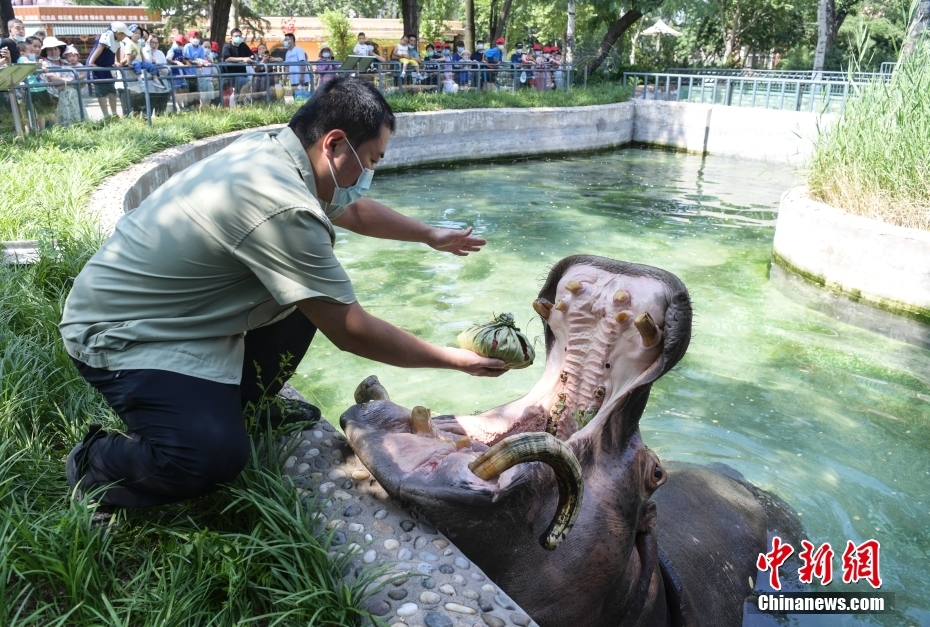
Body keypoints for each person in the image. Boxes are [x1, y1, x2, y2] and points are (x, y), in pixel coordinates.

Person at [61, 76, 502, 509]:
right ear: (333, 143)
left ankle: (244, 405)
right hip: (124, 334)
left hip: (178, 311)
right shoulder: (284, 205)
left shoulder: (277, 154)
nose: (370, 173)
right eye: (370, 160)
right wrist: (455, 360)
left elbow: (356, 211)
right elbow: (353, 331)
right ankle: (94, 463)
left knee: (308, 294)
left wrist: (429, 234)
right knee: (211, 458)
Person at [86, 21, 131, 118]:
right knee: (101, 91)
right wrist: (91, 62)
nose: (124, 37)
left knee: (111, 90)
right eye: (124, 35)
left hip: (107, 66)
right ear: (118, 33)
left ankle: (114, 113)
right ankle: (106, 115)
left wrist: (118, 62)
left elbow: (117, 49)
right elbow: (99, 48)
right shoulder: (107, 34)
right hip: (98, 66)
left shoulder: (117, 40)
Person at [41, 37, 82, 126]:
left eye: (55, 48)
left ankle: (78, 123)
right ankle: (64, 126)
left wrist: (69, 81)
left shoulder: (65, 63)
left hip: (70, 90)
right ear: (46, 51)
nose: (53, 51)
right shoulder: (45, 64)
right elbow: (52, 78)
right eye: (50, 49)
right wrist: (67, 81)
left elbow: (75, 76)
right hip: (54, 92)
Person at [220, 28, 252, 95]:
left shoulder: (243, 45)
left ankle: (240, 101)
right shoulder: (227, 46)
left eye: (240, 36)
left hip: (243, 74)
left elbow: (251, 55)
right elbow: (227, 59)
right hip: (231, 76)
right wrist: (243, 59)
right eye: (236, 36)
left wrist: (251, 58)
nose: (238, 37)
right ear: (231, 38)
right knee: (249, 83)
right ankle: (240, 100)